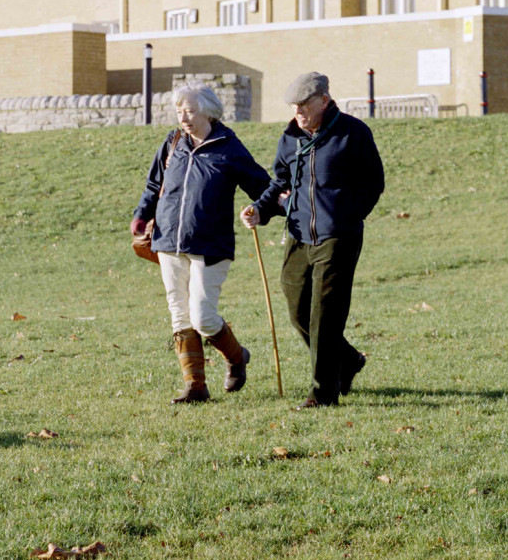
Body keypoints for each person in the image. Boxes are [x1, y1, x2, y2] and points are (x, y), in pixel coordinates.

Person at [241, 71, 384, 408]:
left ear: (324, 100)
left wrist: (348, 216)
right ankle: (348, 360)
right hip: (298, 235)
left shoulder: (353, 133)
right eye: (294, 107)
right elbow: (280, 181)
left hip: (338, 236)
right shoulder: (290, 138)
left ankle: (323, 393)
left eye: (304, 105)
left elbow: (372, 183)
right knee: (298, 311)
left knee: (326, 316)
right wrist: (260, 210)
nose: (298, 113)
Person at [131, 82, 272, 404]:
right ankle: (195, 385)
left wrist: (259, 210)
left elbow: (262, 185)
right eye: (179, 111)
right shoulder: (172, 143)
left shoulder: (229, 148)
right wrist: (141, 215)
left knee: (203, 317)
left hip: (211, 246)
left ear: (208, 111)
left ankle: (237, 357)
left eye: (190, 110)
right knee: (179, 315)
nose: (184, 117)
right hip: (168, 242)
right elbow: (154, 184)